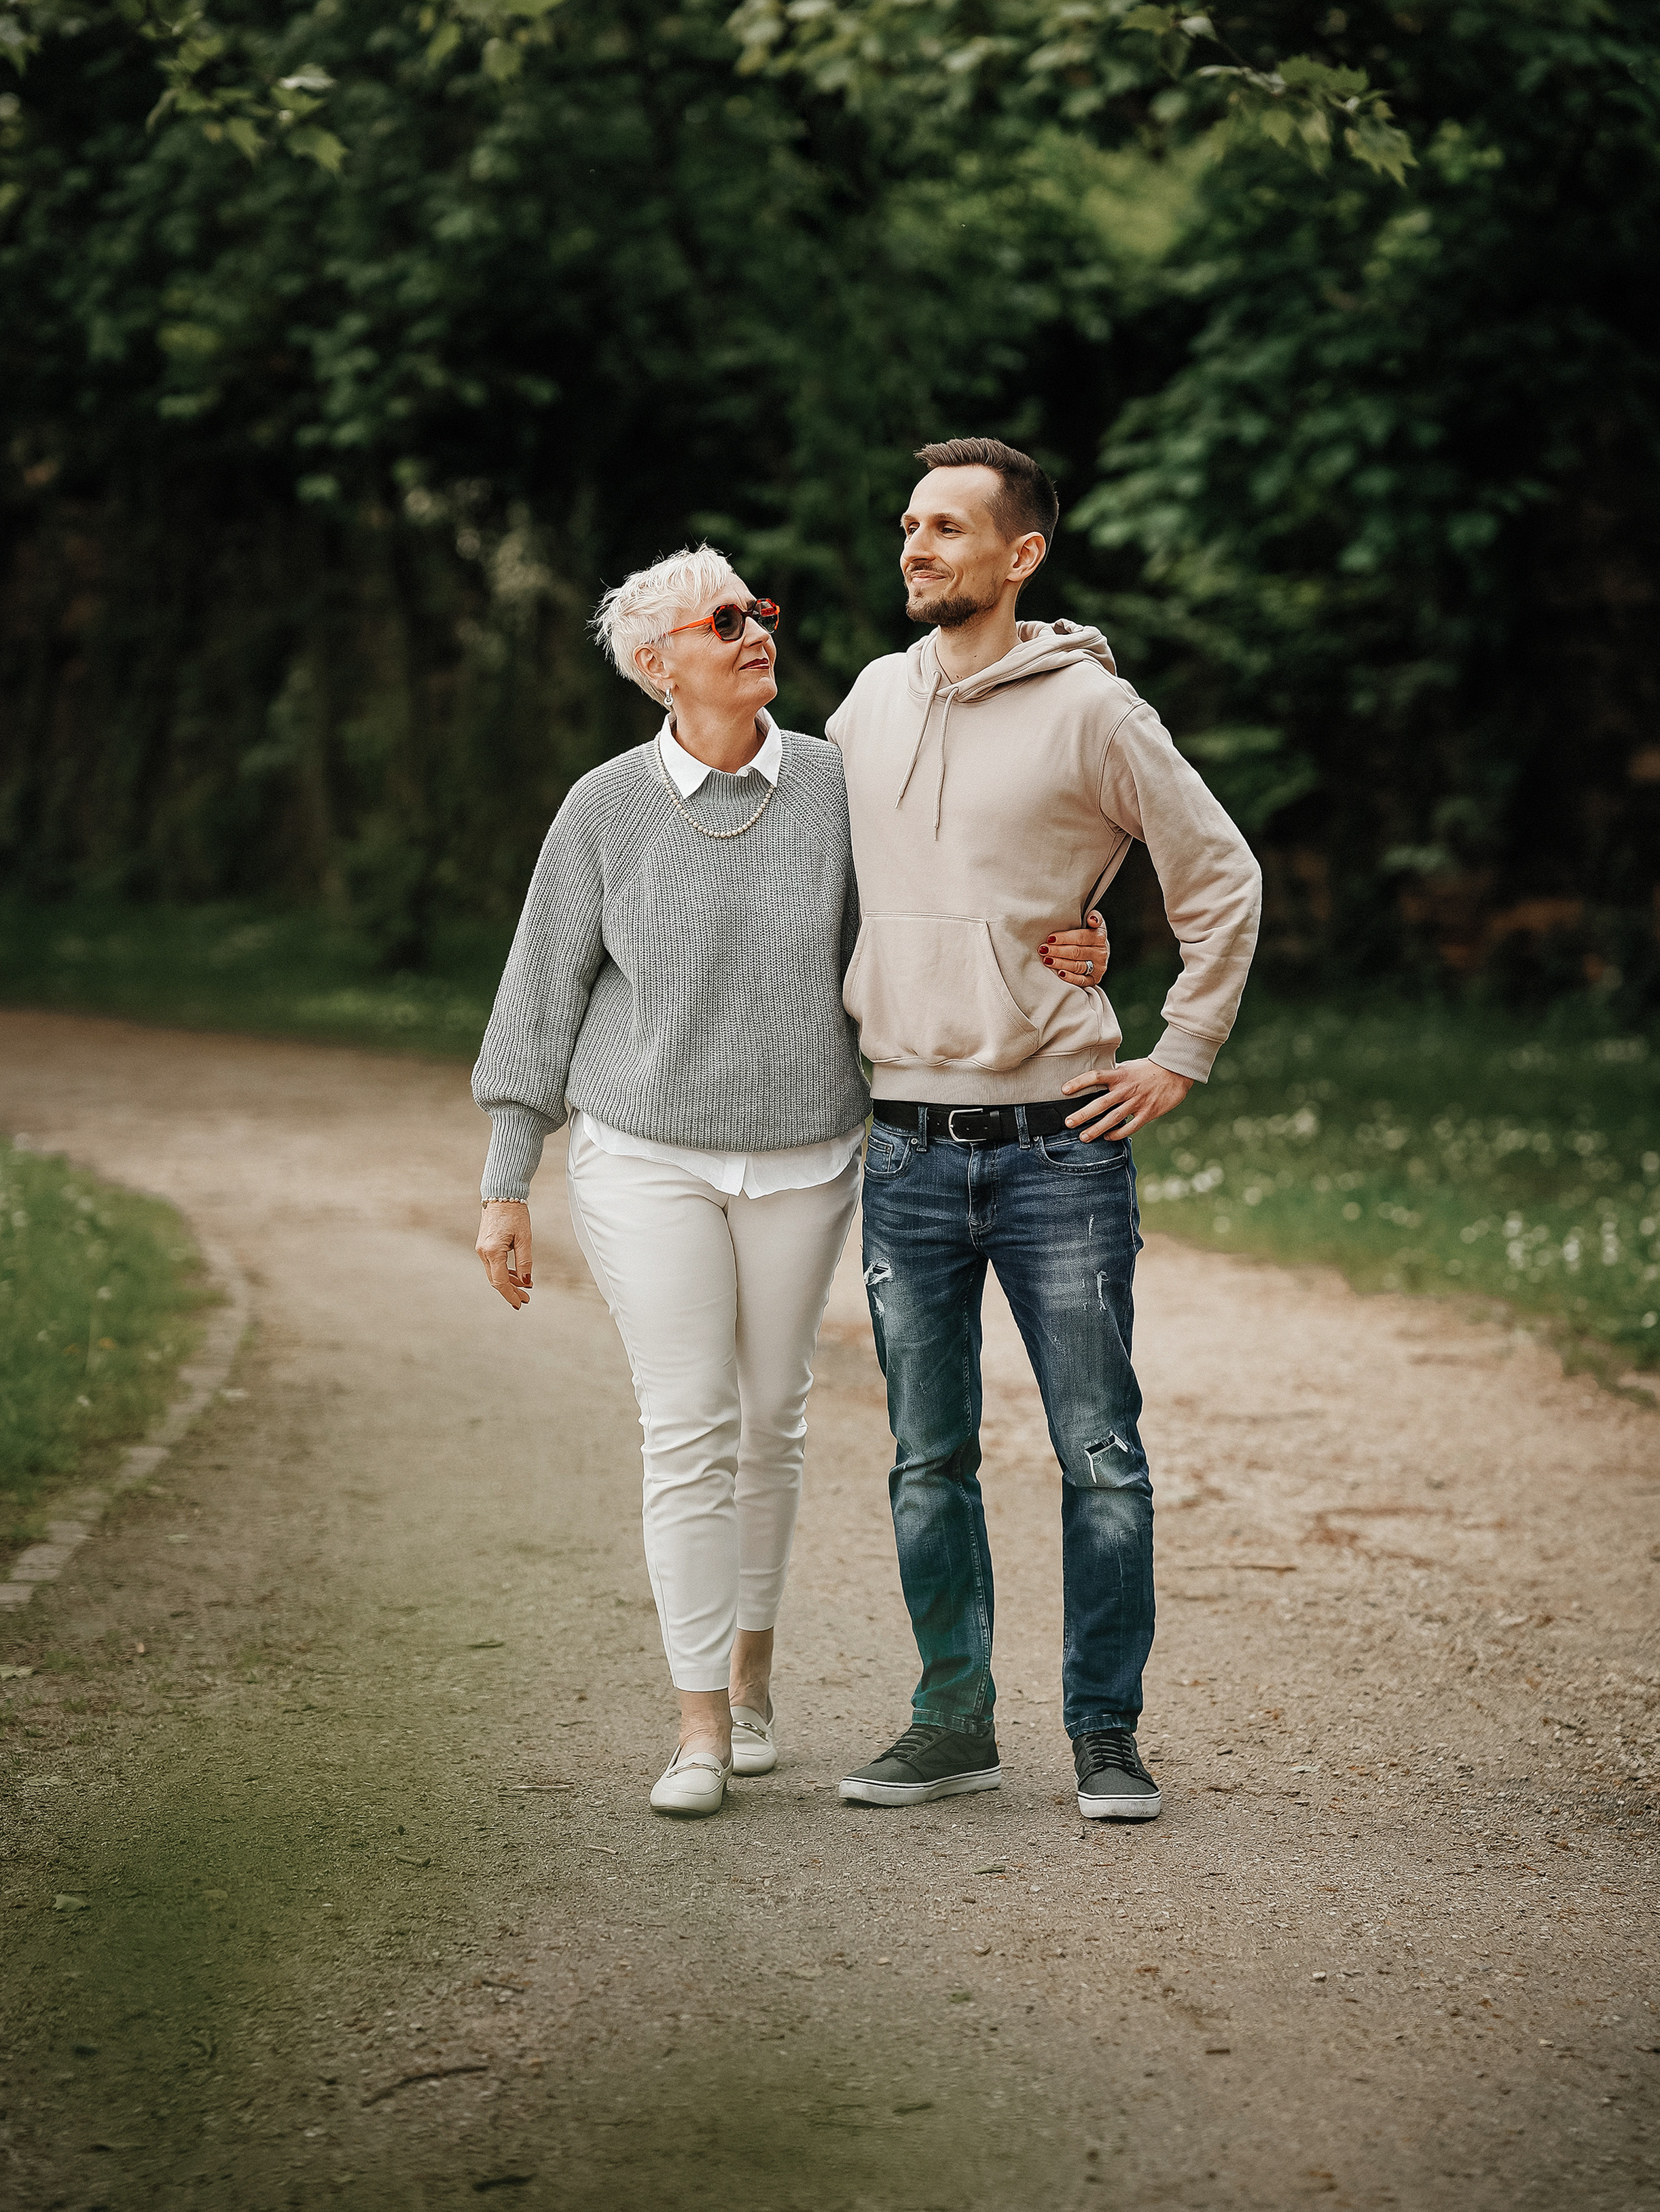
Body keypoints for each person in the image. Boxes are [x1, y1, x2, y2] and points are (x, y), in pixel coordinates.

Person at [471, 541, 1111, 1817]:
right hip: (645, 1152)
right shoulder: (602, 809)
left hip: (812, 1151)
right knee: (690, 1423)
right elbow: (538, 996)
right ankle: (698, 1726)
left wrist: (1077, 939)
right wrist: (506, 1180)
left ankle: (752, 1687)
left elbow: (953, 893)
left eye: (760, 610)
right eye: (725, 619)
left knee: (772, 1422)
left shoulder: (834, 783)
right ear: (659, 665)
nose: (758, 629)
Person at [826, 439, 1262, 1820]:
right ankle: (950, 1721)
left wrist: (1175, 1053)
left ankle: (1102, 1735)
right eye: (906, 524)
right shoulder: (862, 704)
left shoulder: (1093, 714)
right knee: (923, 1459)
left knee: (1099, 1456)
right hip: (899, 1144)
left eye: (946, 528)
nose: (915, 546)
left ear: (1019, 557)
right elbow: (818, 881)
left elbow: (1218, 877)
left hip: (1056, 1152)